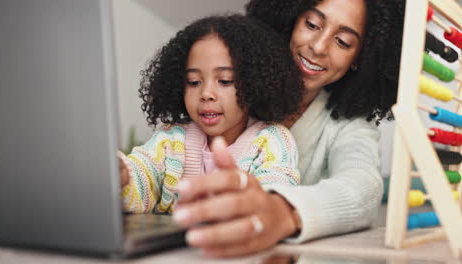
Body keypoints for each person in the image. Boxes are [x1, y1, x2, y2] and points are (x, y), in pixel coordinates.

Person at [173, 0, 405, 257]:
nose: (318, 47)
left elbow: (362, 188)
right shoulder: (226, 90)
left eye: (343, 42)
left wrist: (284, 213)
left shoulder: (349, 124)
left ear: (359, 58)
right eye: (312, 24)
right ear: (290, 19)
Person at [119, 14, 306, 214]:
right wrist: (123, 176)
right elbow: (142, 179)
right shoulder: (169, 141)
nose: (206, 94)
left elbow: (275, 194)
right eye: (193, 82)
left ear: (254, 84)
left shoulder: (272, 142)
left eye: (225, 81)